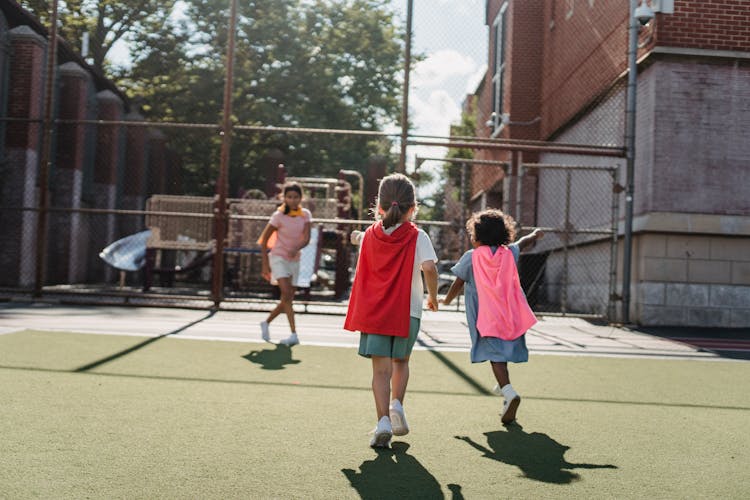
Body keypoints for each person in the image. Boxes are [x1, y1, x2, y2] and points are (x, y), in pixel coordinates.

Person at [344, 173, 439, 448]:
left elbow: (361, 236)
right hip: (407, 313)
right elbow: (430, 268)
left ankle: (383, 420)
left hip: (376, 314)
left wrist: (356, 236)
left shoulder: (370, 235)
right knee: (402, 363)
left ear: (380, 207)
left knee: (380, 372)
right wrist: (433, 297)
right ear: (413, 208)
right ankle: (397, 404)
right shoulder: (418, 236)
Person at [441, 209, 543, 424]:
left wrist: (446, 300)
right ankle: (504, 390)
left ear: (478, 237)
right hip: (508, 314)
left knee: (495, 356)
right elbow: (522, 243)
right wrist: (534, 235)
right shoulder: (509, 253)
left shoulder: (472, 257)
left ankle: (508, 392)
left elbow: (458, 282)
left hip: (485, 318)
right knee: (500, 354)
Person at [258, 182, 312, 346]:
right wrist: (265, 265)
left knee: (287, 297)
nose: (293, 200)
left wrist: (297, 248)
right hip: (278, 257)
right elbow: (264, 240)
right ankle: (294, 334)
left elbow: (307, 238)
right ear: (284, 198)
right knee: (287, 293)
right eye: (289, 197)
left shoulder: (305, 215)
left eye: (296, 197)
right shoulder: (278, 216)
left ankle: (266, 322)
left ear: (301, 198)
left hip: (295, 260)